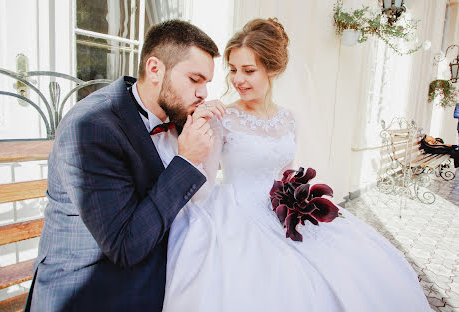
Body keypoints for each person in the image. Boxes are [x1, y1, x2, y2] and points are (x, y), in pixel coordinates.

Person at [162, 18, 432, 311]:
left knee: (351, 271)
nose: (238, 79)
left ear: (272, 69)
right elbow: (204, 190)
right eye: (233, 70)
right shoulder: (222, 117)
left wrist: (298, 203)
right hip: (236, 212)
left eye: (249, 70)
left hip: (282, 209)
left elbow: (285, 173)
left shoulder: (289, 119)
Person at [24, 20, 222, 311]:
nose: (204, 93)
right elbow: (126, 246)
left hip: (156, 270)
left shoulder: (173, 117)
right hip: (94, 292)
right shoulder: (91, 127)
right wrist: (187, 160)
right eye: (195, 80)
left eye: (207, 83)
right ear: (155, 69)